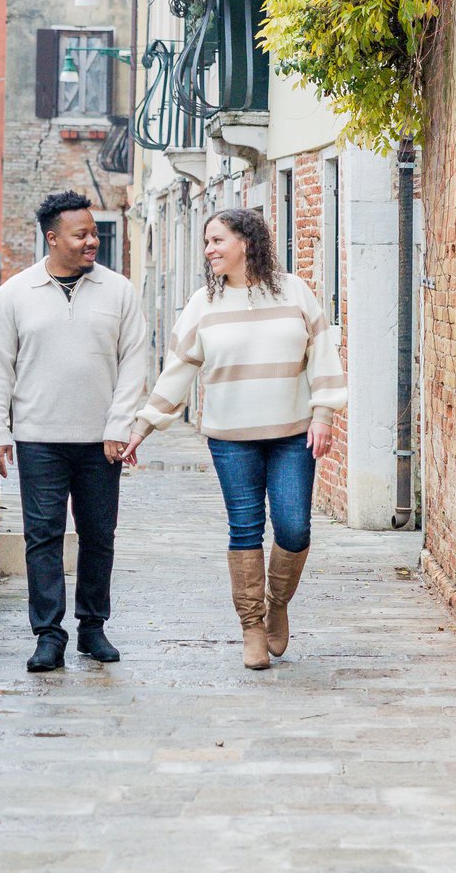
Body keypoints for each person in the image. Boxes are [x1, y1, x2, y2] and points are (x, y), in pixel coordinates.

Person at [125, 208, 345, 671]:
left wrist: (324, 414)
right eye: (206, 242)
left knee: (294, 528)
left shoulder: (294, 291)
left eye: (217, 240)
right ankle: (252, 628)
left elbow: (322, 354)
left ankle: (277, 603)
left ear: (246, 242)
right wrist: (143, 426)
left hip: (292, 434)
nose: (209, 250)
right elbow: (177, 371)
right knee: (245, 528)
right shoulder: (202, 304)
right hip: (230, 439)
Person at [0, 191, 150, 672]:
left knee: (99, 535)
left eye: (94, 232)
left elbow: (133, 362)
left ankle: (92, 628)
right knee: (42, 537)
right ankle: (48, 634)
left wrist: (120, 424)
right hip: (37, 438)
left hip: (101, 440)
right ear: (53, 239)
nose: (92, 241)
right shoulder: (15, 294)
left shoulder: (119, 291)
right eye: (81, 235)